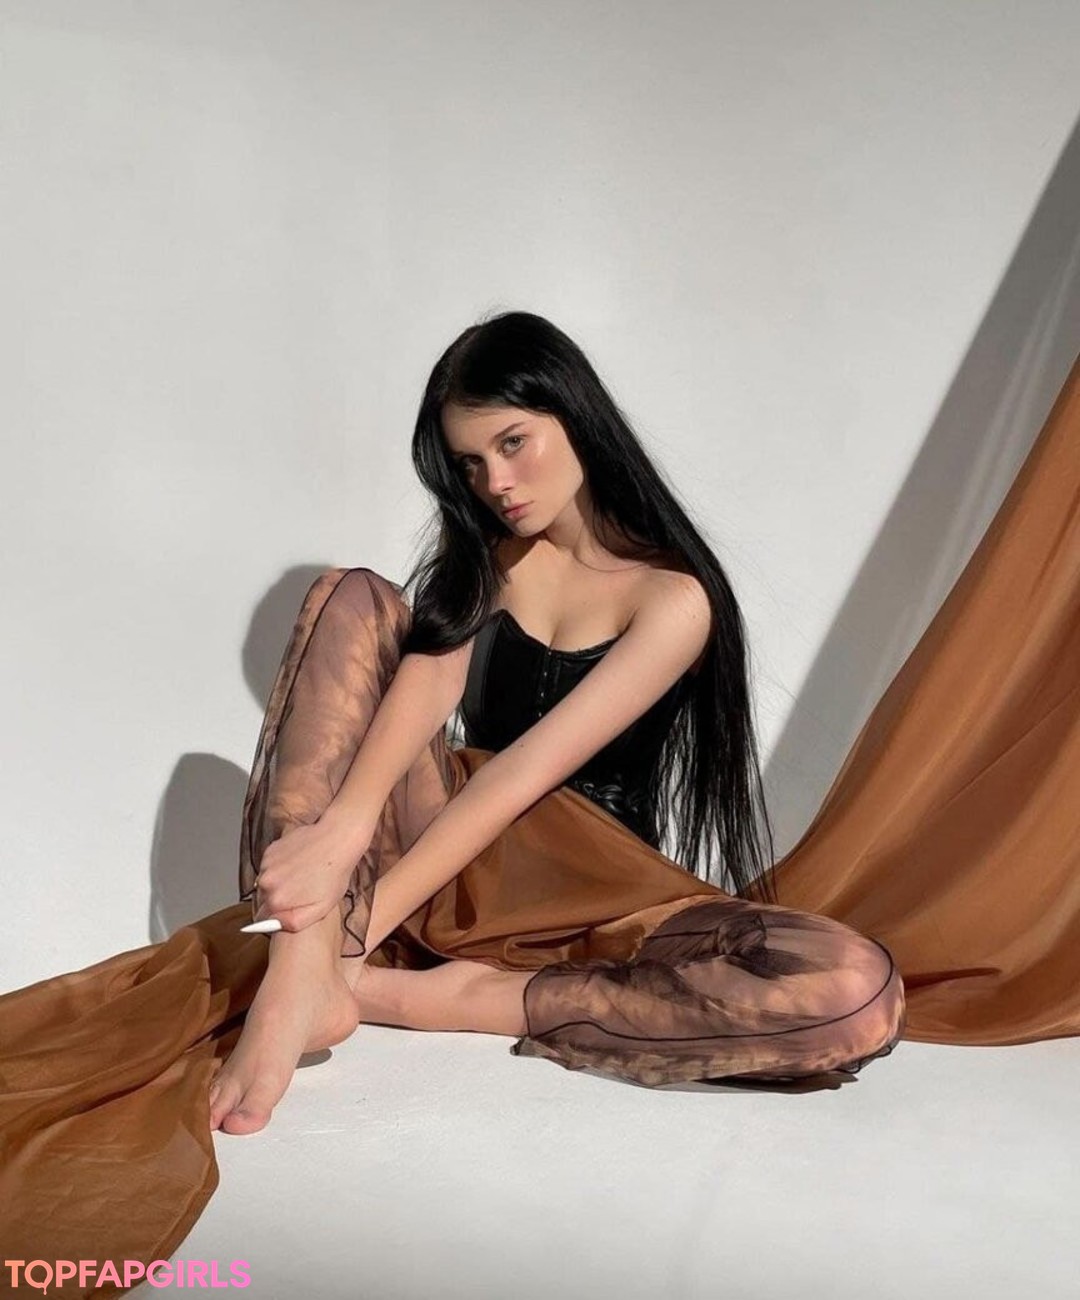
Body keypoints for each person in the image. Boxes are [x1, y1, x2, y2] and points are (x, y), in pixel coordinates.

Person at [209, 310, 905, 1134]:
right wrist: (346, 831)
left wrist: (356, 947)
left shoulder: (672, 599)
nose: (495, 483)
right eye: (471, 464)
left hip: (598, 902)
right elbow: (424, 697)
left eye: (513, 443)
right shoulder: (487, 563)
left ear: (574, 414)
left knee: (854, 987)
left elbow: (519, 777)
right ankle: (300, 978)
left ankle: (429, 994)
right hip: (444, 869)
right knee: (349, 594)